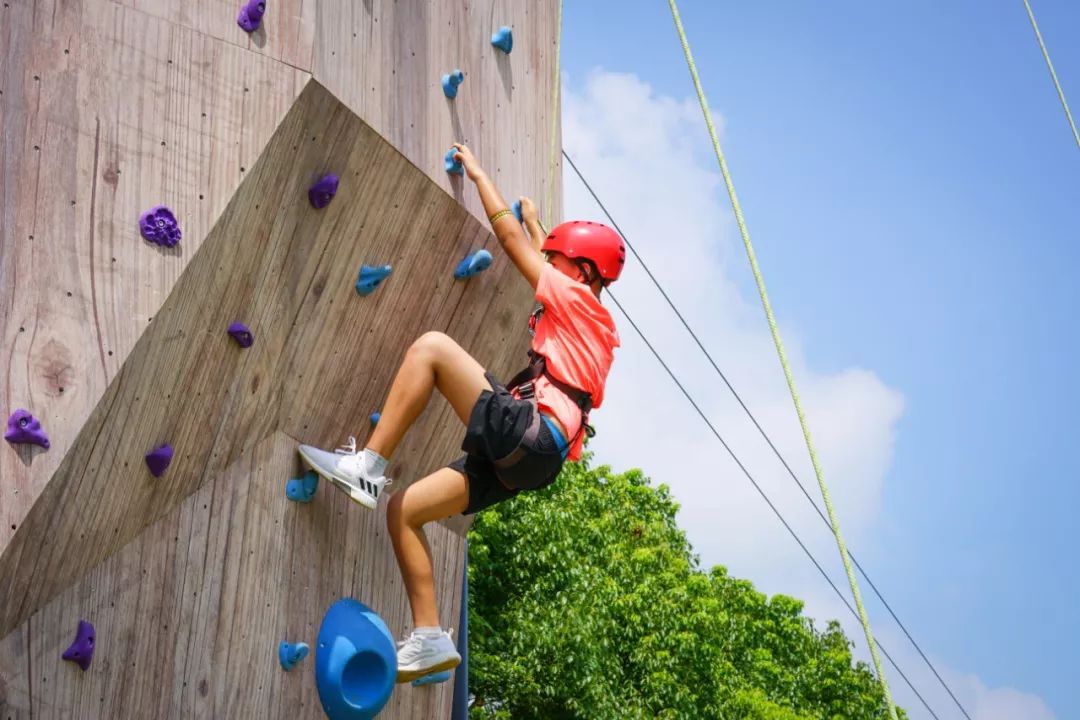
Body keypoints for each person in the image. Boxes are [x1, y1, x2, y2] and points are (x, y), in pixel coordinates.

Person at [298, 143, 624, 682]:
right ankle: (429, 636)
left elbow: (512, 242)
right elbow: (543, 252)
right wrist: (541, 223)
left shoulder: (576, 300)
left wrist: (478, 175)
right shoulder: (593, 319)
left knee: (431, 348)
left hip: (534, 432)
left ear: (582, 273)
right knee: (406, 511)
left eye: (559, 261)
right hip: (535, 464)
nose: (549, 266)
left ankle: (367, 467)